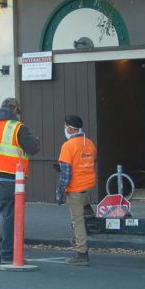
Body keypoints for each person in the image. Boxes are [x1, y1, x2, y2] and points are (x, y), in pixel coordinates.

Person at [0, 97, 40, 264]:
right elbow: (34, 147)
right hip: (9, 179)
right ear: (14, 109)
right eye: (18, 111)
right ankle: (7, 255)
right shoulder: (17, 128)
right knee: (9, 218)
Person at [55, 114, 97, 266]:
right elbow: (90, 161)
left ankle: (82, 253)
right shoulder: (89, 143)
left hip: (75, 189)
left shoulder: (68, 146)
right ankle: (91, 220)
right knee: (84, 213)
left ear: (70, 128)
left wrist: (59, 194)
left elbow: (66, 175)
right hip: (88, 186)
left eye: (66, 126)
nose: (65, 129)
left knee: (77, 221)